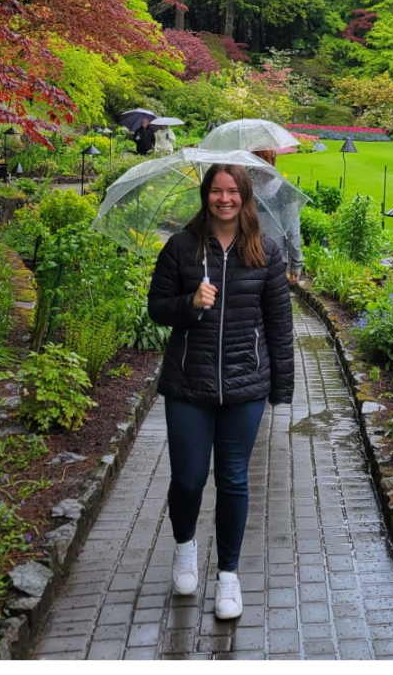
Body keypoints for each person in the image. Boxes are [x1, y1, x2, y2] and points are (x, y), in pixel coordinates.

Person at [147, 163, 294, 620]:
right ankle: (185, 547)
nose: (224, 199)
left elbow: (279, 326)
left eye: (233, 191)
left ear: (245, 197)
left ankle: (228, 576)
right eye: (216, 190)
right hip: (189, 383)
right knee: (188, 479)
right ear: (205, 194)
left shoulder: (266, 253)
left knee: (233, 480)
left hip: (245, 384)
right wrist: (190, 305)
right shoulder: (181, 247)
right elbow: (156, 309)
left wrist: (282, 392)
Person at [250, 148, 304, 284]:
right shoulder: (284, 188)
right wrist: (296, 263)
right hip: (276, 256)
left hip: (247, 252)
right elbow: (292, 229)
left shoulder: (240, 187)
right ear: (272, 161)